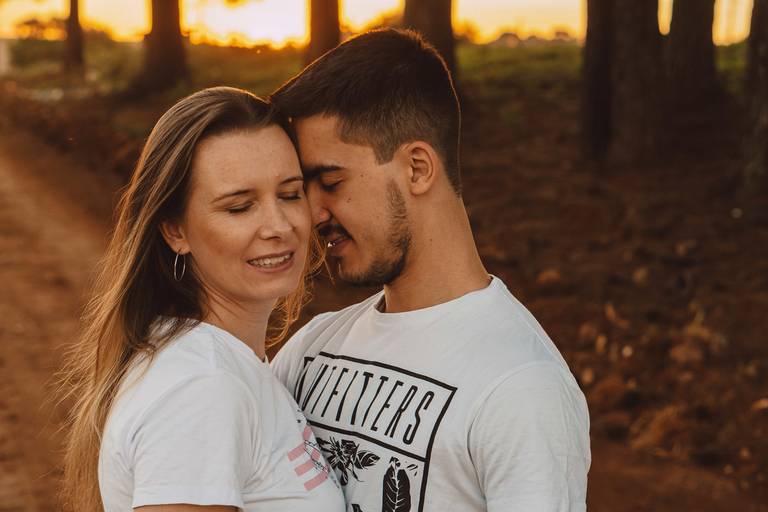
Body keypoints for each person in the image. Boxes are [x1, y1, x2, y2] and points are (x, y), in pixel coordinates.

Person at [270, 29, 591, 512]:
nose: (313, 214)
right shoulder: (311, 349)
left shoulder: (522, 388)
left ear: (418, 168)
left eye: (331, 182)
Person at [58, 87, 345, 512]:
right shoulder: (202, 388)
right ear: (176, 230)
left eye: (289, 194)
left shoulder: (208, 360)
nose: (279, 225)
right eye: (239, 207)